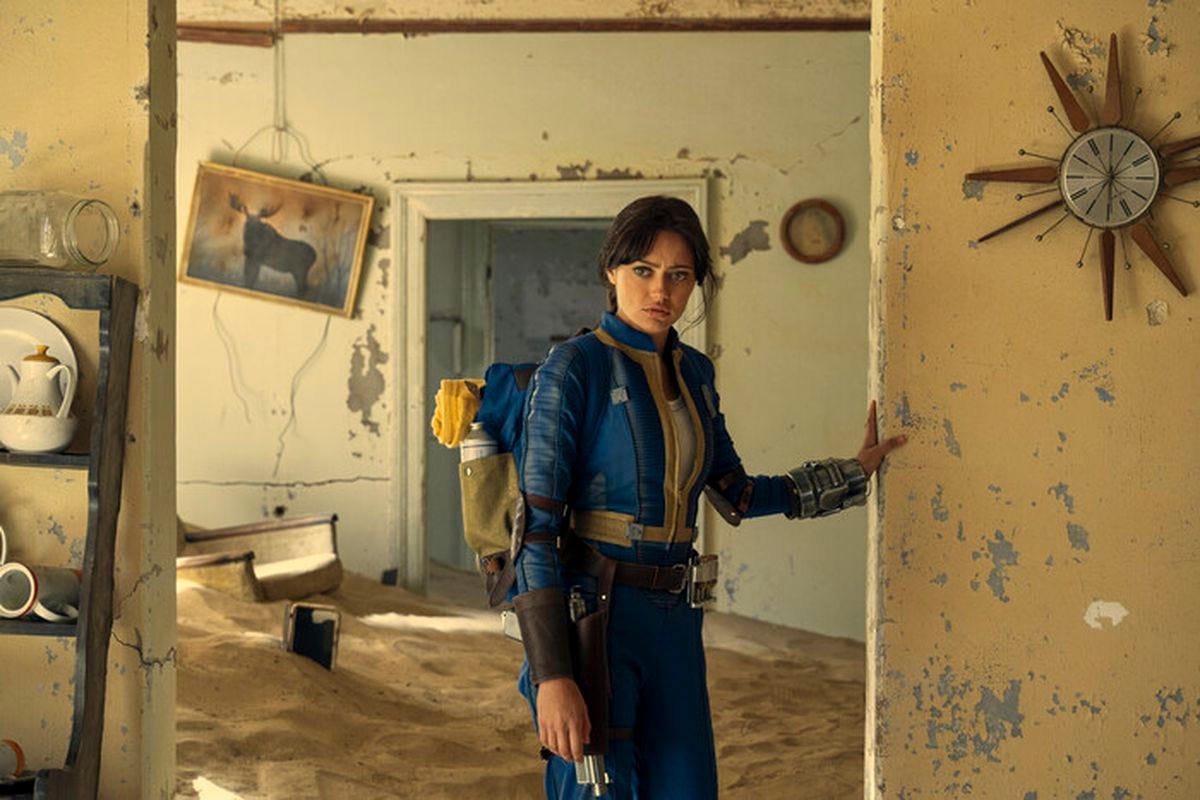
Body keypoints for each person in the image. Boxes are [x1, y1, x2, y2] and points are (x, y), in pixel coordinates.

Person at [510, 195, 905, 799]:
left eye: (679, 274)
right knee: (598, 791)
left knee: (688, 789)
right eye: (642, 270)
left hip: (676, 620)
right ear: (611, 270)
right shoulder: (573, 368)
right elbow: (535, 530)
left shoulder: (695, 372)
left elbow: (737, 492)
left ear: (696, 282)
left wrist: (851, 473)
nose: (660, 290)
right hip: (597, 615)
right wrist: (552, 675)